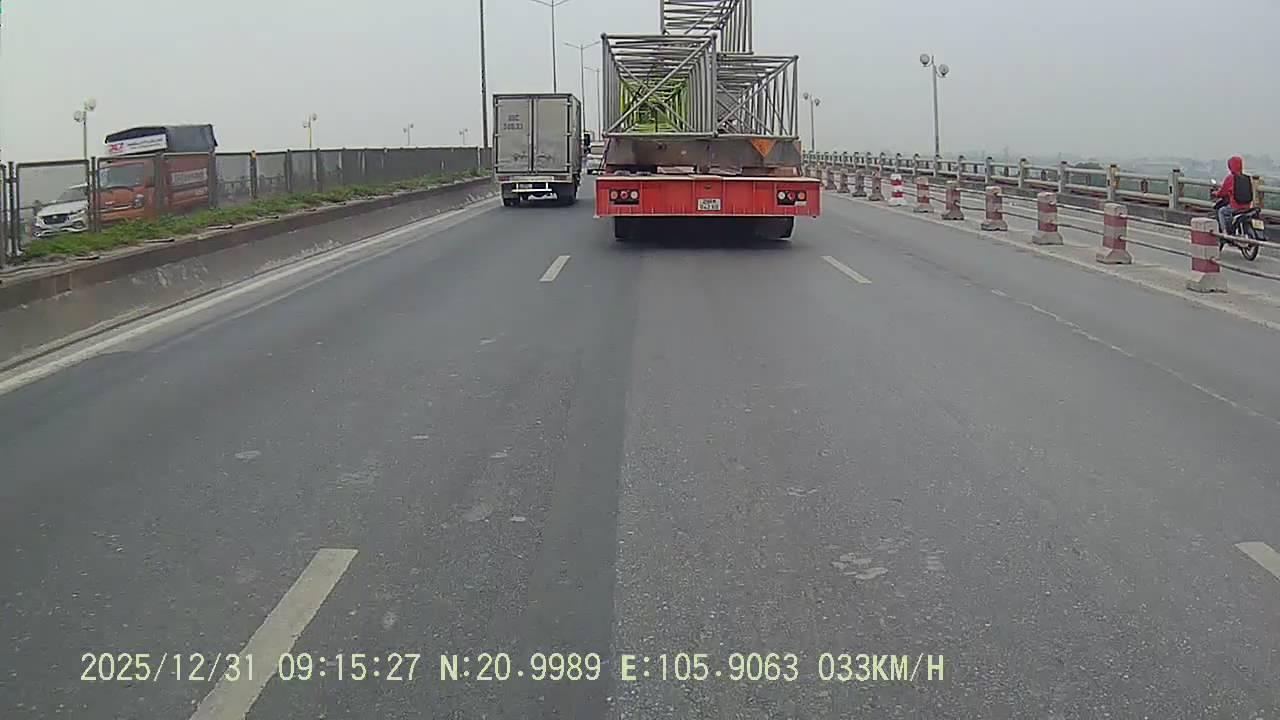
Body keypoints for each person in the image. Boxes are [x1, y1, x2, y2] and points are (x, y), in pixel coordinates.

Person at [1213, 156, 1255, 235]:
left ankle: (1225, 232)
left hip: (1236, 206)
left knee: (1222, 211)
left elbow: (1222, 193)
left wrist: (1215, 193)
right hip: (1247, 207)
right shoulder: (1247, 178)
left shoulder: (1231, 178)